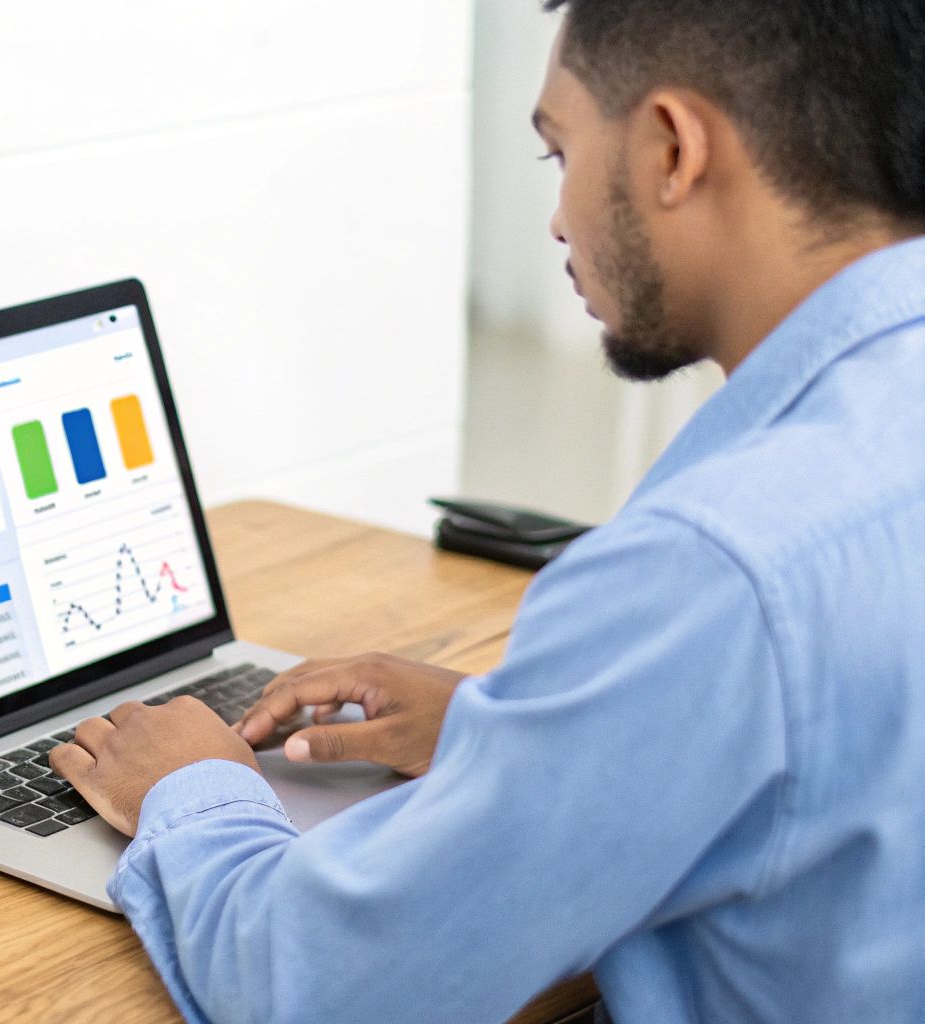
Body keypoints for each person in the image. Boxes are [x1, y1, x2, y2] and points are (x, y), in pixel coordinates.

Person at [47, 1, 925, 1020]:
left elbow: (313, 983)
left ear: (672, 149)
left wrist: (187, 786)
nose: (554, 218)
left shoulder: (710, 570)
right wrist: (508, 735)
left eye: (556, 152)